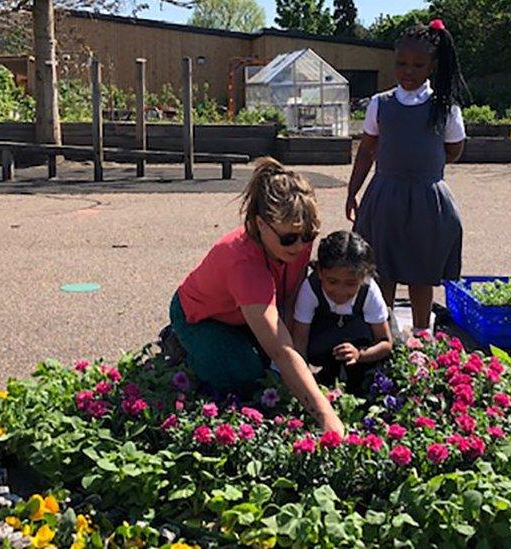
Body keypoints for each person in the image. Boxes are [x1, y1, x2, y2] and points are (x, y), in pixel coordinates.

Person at [169, 157, 344, 435]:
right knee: (244, 376)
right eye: (289, 238)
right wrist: (326, 416)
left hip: (249, 313)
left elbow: (290, 297)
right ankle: (179, 345)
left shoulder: (294, 243)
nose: (300, 246)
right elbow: (281, 349)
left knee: (280, 369)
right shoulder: (243, 262)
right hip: (203, 316)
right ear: (261, 224)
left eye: (309, 236)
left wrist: (293, 361)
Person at [346, 19, 467, 333]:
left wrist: (427, 170)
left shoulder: (446, 107)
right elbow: (365, 151)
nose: (408, 71)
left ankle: (419, 338)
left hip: (427, 199)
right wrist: (352, 190)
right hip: (384, 196)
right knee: (383, 270)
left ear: (432, 66)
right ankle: (383, 336)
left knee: (420, 272)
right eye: (401, 63)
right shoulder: (380, 104)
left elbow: (453, 150)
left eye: (418, 64)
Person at [291, 231, 393, 395]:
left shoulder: (369, 291)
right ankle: (327, 375)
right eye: (332, 282)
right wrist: (303, 382)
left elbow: (386, 343)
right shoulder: (310, 288)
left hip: (361, 348)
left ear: (363, 278)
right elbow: (300, 341)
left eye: (351, 283)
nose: (340, 291)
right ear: (320, 272)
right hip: (325, 345)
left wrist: (359, 354)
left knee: (371, 377)